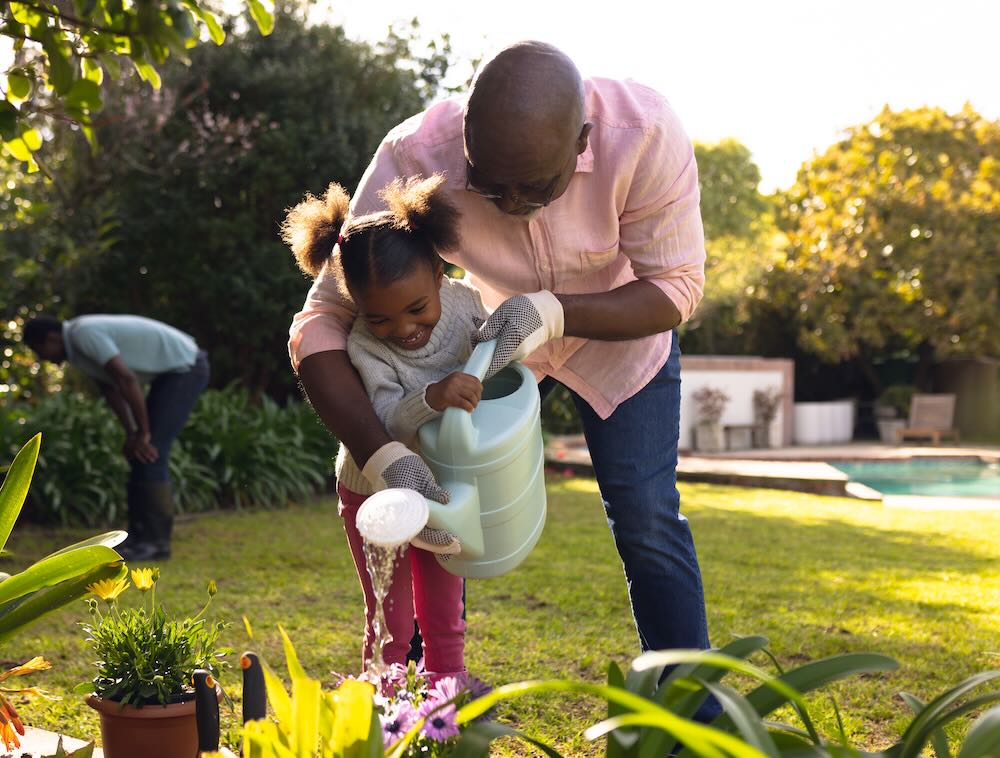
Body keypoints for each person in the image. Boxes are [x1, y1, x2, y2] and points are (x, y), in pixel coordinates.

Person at [288, 41, 718, 719]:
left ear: (580, 142)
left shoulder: (646, 135)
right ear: (463, 142)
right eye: (493, 187)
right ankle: (417, 703)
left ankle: (694, 719)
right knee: (438, 507)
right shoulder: (413, 155)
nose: (515, 204)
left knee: (645, 521)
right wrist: (386, 456)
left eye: (536, 186)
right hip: (478, 351)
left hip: (619, 343)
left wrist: (552, 312)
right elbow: (321, 321)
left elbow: (676, 288)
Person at [281, 173, 487, 680]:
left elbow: (487, 348)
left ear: (440, 274)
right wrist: (433, 396)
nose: (403, 329)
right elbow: (387, 419)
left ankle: (447, 688)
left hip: (438, 478)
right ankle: (385, 694)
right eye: (380, 318)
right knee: (390, 608)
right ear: (354, 304)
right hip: (374, 489)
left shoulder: (463, 303)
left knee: (444, 600)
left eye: (417, 309)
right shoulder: (363, 345)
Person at [23, 313, 209, 561]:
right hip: (172, 372)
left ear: (52, 338)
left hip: (186, 366)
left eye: (39, 349)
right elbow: (111, 389)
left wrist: (143, 433)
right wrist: (132, 434)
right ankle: (137, 538)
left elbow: (126, 378)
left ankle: (156, 543)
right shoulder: (78, 348)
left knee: (151, 452)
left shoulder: (82, 334)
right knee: (138, 453)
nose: (41, 357)